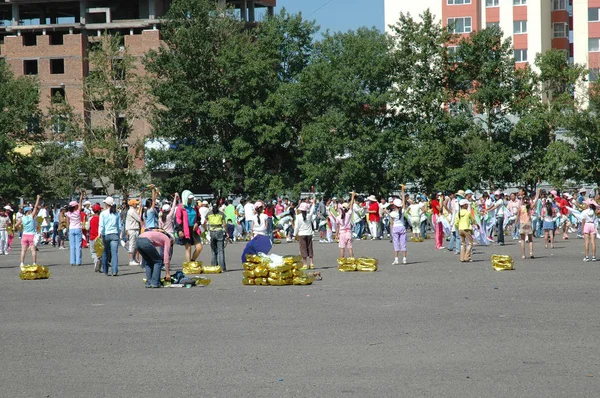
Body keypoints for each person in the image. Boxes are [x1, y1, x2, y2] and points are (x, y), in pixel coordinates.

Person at [175, 190, 202, 262]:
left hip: (194, 229)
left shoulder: (195, 207)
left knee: (199, 247)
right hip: (185, 229)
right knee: (188, 248)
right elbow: (178, 219)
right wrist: (180, 230)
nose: (190, 199)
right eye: (189, 198)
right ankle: (188, 265)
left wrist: (197, 223)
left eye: (191, 198)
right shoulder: (181, 207)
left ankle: (192, 260)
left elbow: (199, 217)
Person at [15, 195, 41, 267]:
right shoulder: (31, 216)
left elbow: (16, 225)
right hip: (32, 235)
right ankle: (34, 263)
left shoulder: (22, 218)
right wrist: (38, 199)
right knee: (33, 250)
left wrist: (21, 230)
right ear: (29, 211)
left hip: (24, 235)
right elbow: (36, 207)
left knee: (23, 250)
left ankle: (22, 263)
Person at [99, 196, 121, 276]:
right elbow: (119, 226)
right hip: (114, 234)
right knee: (114, 253)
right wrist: (119, 235)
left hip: (105, 234)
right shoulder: (117, 213)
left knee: (105, 252)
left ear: (106, 204)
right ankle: (114, 271)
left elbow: (101, 225)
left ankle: (105, 270)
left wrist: (99, 234)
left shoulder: (103, 213)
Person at [204, 202, 227, 272]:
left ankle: (214, 266)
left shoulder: (209, 213)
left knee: (213, 250)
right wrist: (227, 232)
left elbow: (204, 222)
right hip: (219, 231)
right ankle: (222, 267)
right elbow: (224, 224)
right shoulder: (221, 213)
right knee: (220, 250)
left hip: (212, 231)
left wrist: (205, 230)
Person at [294, 201, 316, 270]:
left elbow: (296, 227)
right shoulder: (309, 216)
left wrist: (294, 234)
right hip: (309, 234)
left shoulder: (298, 217)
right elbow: (312, 210)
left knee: (303, 249)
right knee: (310, 248)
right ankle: (311, 263)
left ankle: (305, 264)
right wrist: (313, 203)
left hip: (302, 234)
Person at [455, 198, 478, 263]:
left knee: (462, 244)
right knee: (470, 243)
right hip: (467, 229)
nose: (468, 206)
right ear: (464, 205)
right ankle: (467, 257)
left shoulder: (458, 213)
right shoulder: (468, 213)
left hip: (460, 229)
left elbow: (456, 222)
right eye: (467, 204)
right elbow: (472, 220)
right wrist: (476, 224)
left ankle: (462, 258)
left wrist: (458, 227)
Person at [66, 191, 85, 266]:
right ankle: (78, 261)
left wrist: (67, 230)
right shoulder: (77, 212)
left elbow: (68, 223)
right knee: (78, 246)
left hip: (71, 229)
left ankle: (72, 261)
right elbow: (80, 201)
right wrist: (82, 194)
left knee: (72, 246)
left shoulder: (68, 213)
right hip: (78, 228)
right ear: (75, 206)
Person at [390, 186, 408, 264]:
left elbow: (391, 223)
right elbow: (403, 202)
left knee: (396, 244)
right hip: (402, 227)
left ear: (394, 205)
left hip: (395, 228)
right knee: (403, 243)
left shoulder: (393, 213)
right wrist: (402, 191)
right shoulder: (402, 211)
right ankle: (404, 258)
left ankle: (396, 259)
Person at [336, 192, 356, 259]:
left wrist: (336, 234)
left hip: (342, 233)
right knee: (350, 248)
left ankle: (342, 261)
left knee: (342, 248)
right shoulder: (349, 214)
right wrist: (353, 196)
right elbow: (351, 205)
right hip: (348, 232)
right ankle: (352, 260)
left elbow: (337, 227)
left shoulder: (338, 217)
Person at [126, 198, 142, 266]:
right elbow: (139, 218)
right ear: (132, 204)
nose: (137, 204)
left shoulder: (133, 210)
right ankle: (131, 260)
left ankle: (134, 259)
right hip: (132, 229)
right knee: (132, 244)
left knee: (135, 245)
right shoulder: (131, 211)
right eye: (136, 203)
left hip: (134, 229)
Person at [89, 203, 102, 272]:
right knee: (100, 252)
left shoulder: (91, 219)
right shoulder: (101, 219)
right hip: (99, 237)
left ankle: (96, 260)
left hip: (92, 237)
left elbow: (88, 228)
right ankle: (99, 262)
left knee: (93, 252)